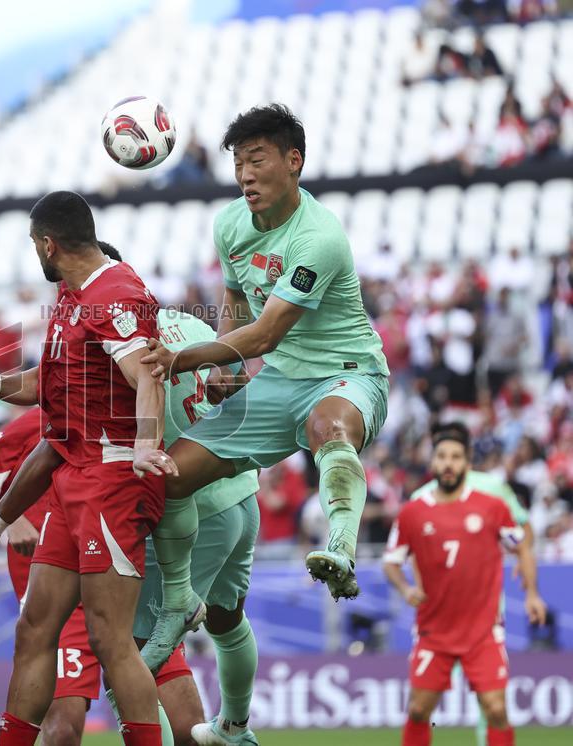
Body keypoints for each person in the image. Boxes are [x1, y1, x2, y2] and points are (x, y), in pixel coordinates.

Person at [138, 104, 389, 669]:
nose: (245, 174)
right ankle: (178, 603)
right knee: (171, 476)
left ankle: (342, 547)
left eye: (257, 160)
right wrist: (226, 370)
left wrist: (183, 360)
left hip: (347, 371)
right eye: (237, 163)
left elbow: (268, 332)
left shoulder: (318, 236)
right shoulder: (229, 224)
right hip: (278, 381)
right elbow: (233, 301)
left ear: (293, 161)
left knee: (327, 428)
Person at [0, 191, 177, 746]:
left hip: (113, 480)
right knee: (34, 629)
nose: (37, 253)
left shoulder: (116, 292)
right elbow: (46, 391)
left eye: (34, 244)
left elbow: (146, 374)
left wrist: (148, 444)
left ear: (48, 244)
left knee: (108, 638)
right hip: (73, 479)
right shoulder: (71, 298)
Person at [383, 422, 533, 746]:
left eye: (455, 457)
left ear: (466, 463)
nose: (448, 463)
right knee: (420, 710)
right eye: (442, 456)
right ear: (433, 462)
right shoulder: (413, 511)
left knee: (496, 709)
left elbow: (521, 541)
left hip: (482, 631)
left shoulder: (491, 504)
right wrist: (407, 588)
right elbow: (391, 560)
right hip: (434, 631)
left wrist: (531, 592)